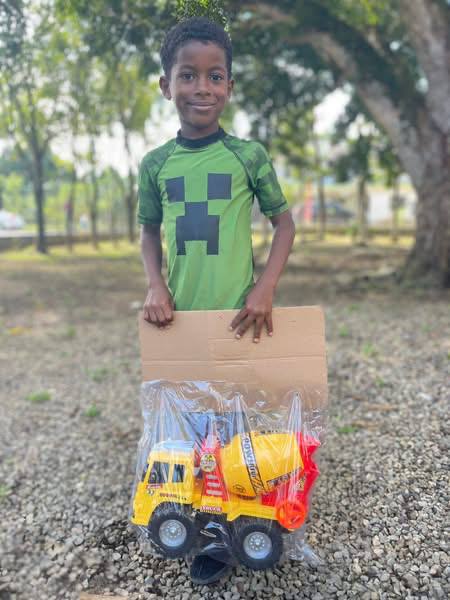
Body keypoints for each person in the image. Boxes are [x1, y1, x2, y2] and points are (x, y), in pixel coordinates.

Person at [137, 16, 295, 582]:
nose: (201, 87)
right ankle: (193, 523)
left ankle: (226, 536)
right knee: (182, 437)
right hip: (180, 323)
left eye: (214, 76)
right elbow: (148, 231)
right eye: (187, 75)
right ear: (166, 85)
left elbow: (284, 224)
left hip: (235, 320)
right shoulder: (156, 164)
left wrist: (265, 286)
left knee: (231, 436)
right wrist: (156, 285)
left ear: (230, 85)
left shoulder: (248, 156)